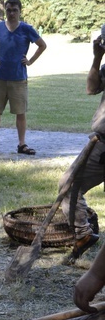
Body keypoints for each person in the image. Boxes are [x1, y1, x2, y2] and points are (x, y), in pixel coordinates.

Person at [0, 0, 47, 156]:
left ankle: (22, 144)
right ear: (5, 10)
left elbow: (42, 45)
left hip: (19, 78)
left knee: (20, 113)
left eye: (14, 10)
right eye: (8, 10)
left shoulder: (26, 29)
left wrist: (30, 61)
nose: (11, 13)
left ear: (20, 11)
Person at [59, 35, 105, 262]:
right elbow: (91, 88)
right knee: (68, 185)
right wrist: (97, 59)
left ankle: (83, 233)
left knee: (68, 186)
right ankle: (83, 233)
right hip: (101, 143)